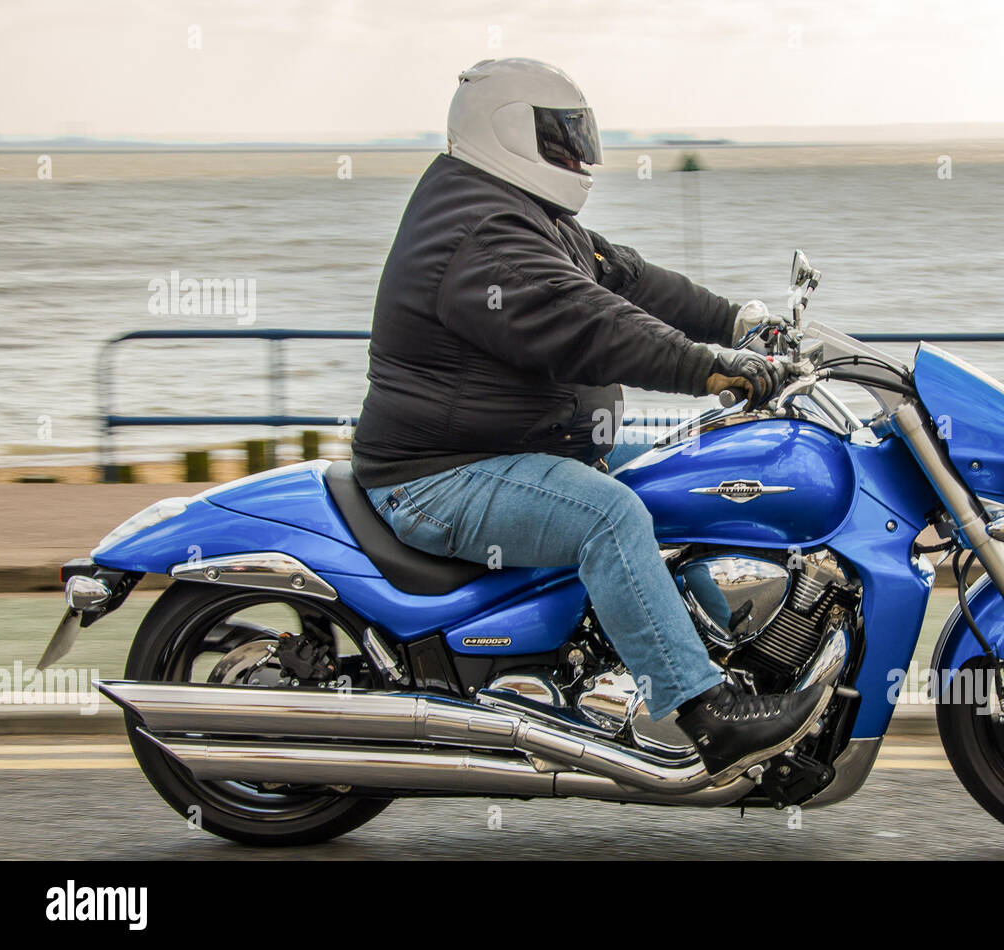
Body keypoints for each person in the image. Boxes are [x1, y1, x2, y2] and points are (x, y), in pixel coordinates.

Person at [351, 58, 830, 784]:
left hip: (514, 450)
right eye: (563, 135)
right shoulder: (480, 233)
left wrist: (742, 323)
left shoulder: (522, 213)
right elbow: (590, 325)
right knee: (610, 519)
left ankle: (740, 669)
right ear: (509, 129)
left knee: (687, 485)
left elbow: (627, 280)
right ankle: (707, 716)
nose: (579, 152)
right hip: (439, 475)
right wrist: (709, 368)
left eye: (581, 134)